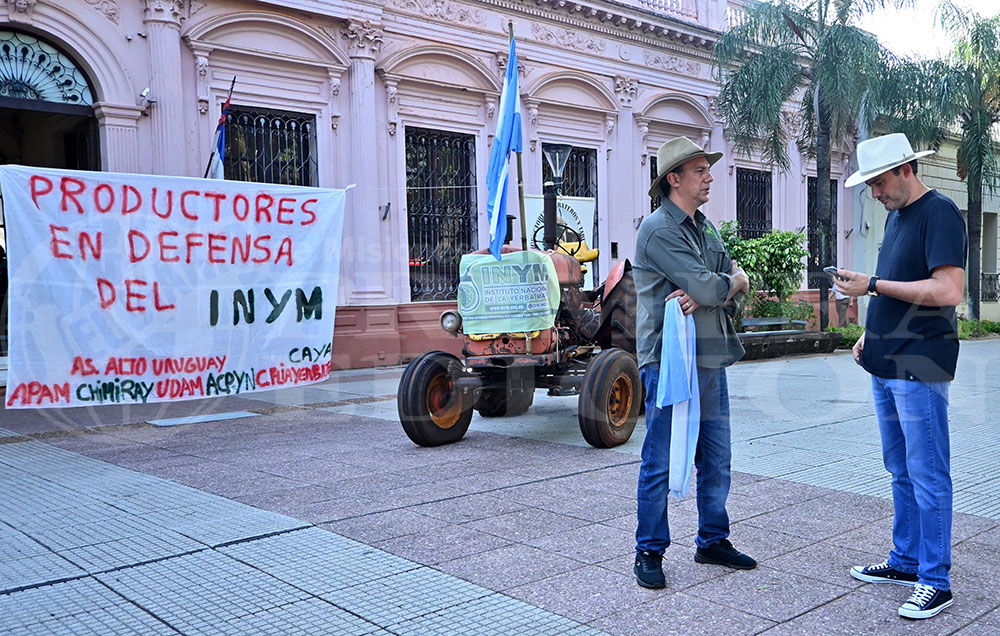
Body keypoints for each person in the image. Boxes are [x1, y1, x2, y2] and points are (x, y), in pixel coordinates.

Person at [835, 132, 967, 620]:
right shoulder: (897, 217)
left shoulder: (940, 213)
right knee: (901, 470)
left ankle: (936, 580)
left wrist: (870, 285)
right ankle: (908, 560)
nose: (874, 193)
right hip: (886, 359)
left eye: (878, 182)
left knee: (928, 473)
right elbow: (900, 286)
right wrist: (873, 333)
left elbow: (948, 290)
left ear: (905, 170)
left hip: (921, 363)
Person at [632, 137, 754, 589]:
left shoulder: (705, 229)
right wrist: (727, 284)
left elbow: (724, 284)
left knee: (717, 458)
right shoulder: (660, 229)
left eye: (708, 169)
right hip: (669, 361)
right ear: (674, 178)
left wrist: (730, 283)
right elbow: (709, 288)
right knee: (660, 460)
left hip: (709, 356)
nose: (709, 177)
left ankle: (712, 540)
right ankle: (648, 549)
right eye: (700, 170)